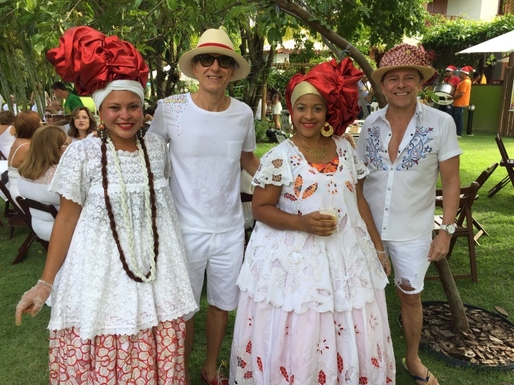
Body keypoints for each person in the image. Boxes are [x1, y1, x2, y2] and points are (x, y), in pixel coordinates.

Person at [15, 26, 197, 384]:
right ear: (100, 109)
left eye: (133, 106)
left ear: (144, 108)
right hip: (97, 272)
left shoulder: (157, 148)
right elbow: (66, 219)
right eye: (114, 107)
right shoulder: (81, 154)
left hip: (155, 270)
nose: (125, 115)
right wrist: (44, 283)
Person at [230, 58, 395, 385]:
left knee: (349, 318)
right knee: (302, 320)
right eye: (301, 108)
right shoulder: (280, 156)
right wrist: (302, 223)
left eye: (316, 108)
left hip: (346, 256)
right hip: (294, 260)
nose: (308, 116)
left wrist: (378, 249)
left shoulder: (345, 150)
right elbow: (261, 208)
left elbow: (359, 201)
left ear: (327, 111)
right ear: (290, 111)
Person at [149, 28, 260, 385]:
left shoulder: (243, 113)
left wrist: (291, 186)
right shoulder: (171, 108)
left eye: (223, 61)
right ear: (195, 67)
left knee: (222, 304)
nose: (215, 67)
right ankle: (178, 372)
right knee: (184, 308)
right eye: (206, 59)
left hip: (230, 228)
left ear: (231, 70)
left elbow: (248, 160)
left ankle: (211, 366)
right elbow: (149, 159)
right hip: (183, 227)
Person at [356, 43, 462, 385]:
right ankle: (364, 359)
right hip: (366, 229)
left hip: (412, 231)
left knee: (410, 295)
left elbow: (451, 180)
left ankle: (412, 359)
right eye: (393, 78)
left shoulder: (441, 123)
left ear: (420, 83)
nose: (400, 84)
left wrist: (445, 230)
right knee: (362, 297)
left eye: (409, 78)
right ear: (383, 85)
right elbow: (358, 180)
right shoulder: (369, 125)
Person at [18, 126, 67, 241]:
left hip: (38, 226)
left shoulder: (24, 172)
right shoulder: (60, 175)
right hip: (61, 230)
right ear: (54, 148)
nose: (67, 148)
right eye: (65, 145)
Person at [8, 110, 41, 205]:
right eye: (39, 123)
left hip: (19, 189)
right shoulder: (27, 147)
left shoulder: (20, 141)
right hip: (23, 193)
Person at [451, 66, 473, 138]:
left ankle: (458, 133)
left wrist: (452, 98)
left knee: (458, 118)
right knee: (456, 118)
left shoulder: (465, 82)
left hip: (460, 103)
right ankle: (455, 132)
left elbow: (461, 93)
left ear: (464, 74)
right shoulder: (464, 81)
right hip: (458, 103)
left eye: (461, 73)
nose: (459, 74)